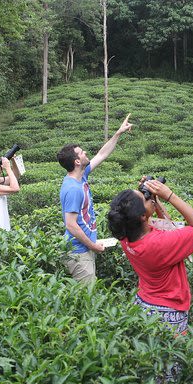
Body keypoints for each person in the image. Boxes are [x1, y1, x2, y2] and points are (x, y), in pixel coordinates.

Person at [106, 178, 193, 335]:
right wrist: (169, 195)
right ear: (141, 216)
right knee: (172, 358)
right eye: (145, 198)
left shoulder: (126, 235)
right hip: (168, 311)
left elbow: (169, 229)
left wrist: (154, 201)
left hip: (145, 303)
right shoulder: (158, 244)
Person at [57, 114, 133, 282]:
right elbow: (70, 224)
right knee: (86, 299)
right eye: (81, 153)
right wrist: (92, 246)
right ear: (77, 161)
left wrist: (118, 133)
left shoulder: (81, 176)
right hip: (78, 253)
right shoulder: (73, 189)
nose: (85, 153)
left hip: (84, 248)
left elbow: (102, 154)